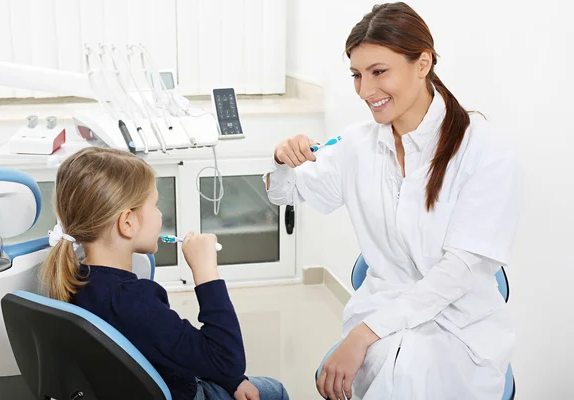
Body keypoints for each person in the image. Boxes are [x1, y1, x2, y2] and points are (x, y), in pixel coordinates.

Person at [265, 2, 520, 399]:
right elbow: (288, 192)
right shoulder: (357, 145)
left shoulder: (485, 149)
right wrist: (282, 160)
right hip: (381, 312)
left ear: (423, 63)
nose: (366, 91)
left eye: (379, 72)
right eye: (356, 75)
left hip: (458, 323)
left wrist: (364, 335)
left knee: (411, 378)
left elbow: (459, 271)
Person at [41, 147, 289, 400]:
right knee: (275, 391)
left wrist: (231, 380)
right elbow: (228, 360)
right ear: (127, 223)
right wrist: (206, 272)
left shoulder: (76, 279)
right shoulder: (133, 302)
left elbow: (172, 348)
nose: (160, 214)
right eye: (155, 205)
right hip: (180, 392)